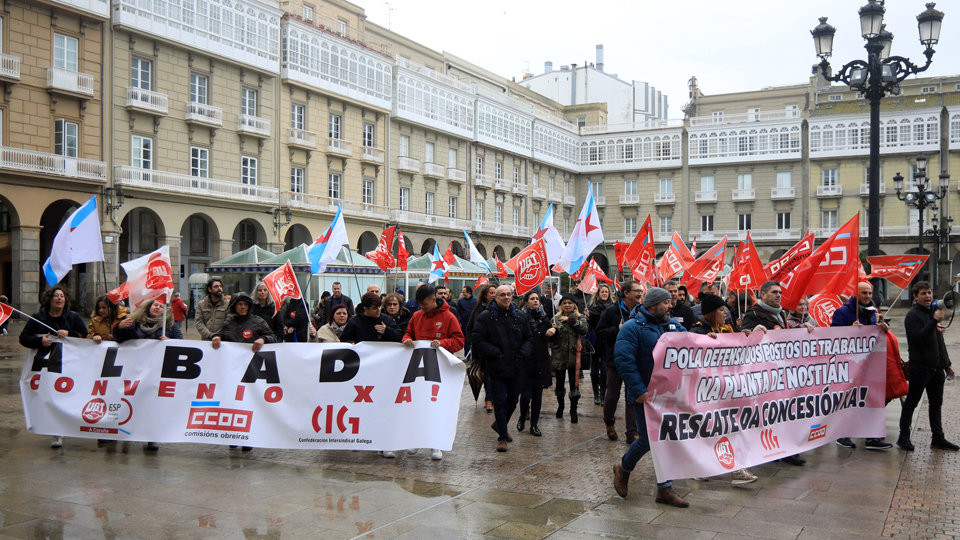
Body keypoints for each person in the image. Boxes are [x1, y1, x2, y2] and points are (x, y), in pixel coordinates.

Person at [612, 286, 688, 507]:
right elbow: (624, 360)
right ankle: (623, 468)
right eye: (666, 303)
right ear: (653, 305)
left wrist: (710, 339)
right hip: (644, 395)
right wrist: (638, 390)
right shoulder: (631, 328)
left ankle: (664, 489)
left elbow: (692, 342)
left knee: (666, 439)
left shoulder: (672, 325)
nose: (670, 305)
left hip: (669, 394)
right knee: (647, 440)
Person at [740, 280, 812, 466]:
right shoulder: (753, 313)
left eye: (780, 292)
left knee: (784, 412)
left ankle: (786, 449)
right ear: (763, 295)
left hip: (783, 372)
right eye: (774, 292)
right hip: (763, 375)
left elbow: (784, 336)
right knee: (767, 414)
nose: (778, 295)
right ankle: (765, 448)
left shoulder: (781, 313)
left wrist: (799, 330)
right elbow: (741, 338)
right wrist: (750, 332)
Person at [689, 293, 758, 485]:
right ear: (711, 313)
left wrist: (747, 336)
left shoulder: (728, 330)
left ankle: (736, 469)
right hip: (705, 393)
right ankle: (699, 466)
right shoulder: (697, 330)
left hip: (726, 391)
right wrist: (703, 342)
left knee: (730, 428)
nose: (725, 313)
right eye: (721, 310)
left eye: (725, 309)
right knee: (707, 431)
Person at [400, 284, 465, 460]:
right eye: (419, 305)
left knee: (436, 406)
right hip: (418, 370)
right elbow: (408, 333)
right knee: (417, 405)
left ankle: (436, 444)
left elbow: (459, 341)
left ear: (433, 299)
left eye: (425, 304)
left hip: (439, 370)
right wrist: (406, 340)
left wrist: (443, 343)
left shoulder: (449, 316)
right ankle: (415, 440)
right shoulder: (416, 316)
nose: (422, 308)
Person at [19, 286, 88, 448]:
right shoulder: (38, 318)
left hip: (68, 365)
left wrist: (69, 333)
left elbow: (84, 336)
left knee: (64, 396)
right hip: (45, 367)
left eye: (62, 296)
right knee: (50, 397)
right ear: (49, 299)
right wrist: (39, 341)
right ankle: (54, 429)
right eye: (56, 296)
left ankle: (60, 429)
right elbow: (23, 338)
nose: (59, 298)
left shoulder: (73, 317)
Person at [211, 292, 277, 452]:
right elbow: (220, 334)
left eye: (245, 305)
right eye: (240, 304)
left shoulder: (258, 321)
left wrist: (263, 339)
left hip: (253, 373)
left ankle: (249, 437)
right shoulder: (229, 322)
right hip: (233, 372)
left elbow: (273, 336)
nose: (242, 307)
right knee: (233, 404)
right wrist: (216, 337)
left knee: (250, 405)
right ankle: (234, 435)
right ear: (234, 306)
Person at [898, 281, 958, 452]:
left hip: (936, 370)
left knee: (936, 404)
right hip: (920, 369)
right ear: (915, 296)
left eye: (929, 292)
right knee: (911, 403)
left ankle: (938, 438)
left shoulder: (933, 313)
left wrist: (947, 365)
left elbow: (940, 341)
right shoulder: (912, 316)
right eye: (923, 293)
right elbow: (918, 338)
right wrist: (933, 321)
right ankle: (903, 438)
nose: (928, 296)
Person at [115, 298, 182, 452]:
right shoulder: (135, 323)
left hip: (155, 373)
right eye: (155, 305)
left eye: (161, 306)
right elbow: (119, 338)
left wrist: (170, 342)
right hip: (134, 371)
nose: (157, 308)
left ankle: (151, 437)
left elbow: (180, 345)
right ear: (148, 307)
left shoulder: (170, 327)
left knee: (152, 405)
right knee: (132, 402)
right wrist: (119, 327)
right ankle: (124, 431)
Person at [831, 281, 891, 450]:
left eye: (870, 293)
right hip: (850, 366)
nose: (867, 296)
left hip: (870, 364)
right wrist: (849, 329)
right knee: (849, 400)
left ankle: (872, 436)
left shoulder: (873, 312)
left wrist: (883, 328)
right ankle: (843, 435)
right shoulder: (842, 312)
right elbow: (832, 336)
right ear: (855, 294)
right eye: (864, 293)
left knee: (872, 399)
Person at [471, 285, 532, 452]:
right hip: (496, 366)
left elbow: (529, 338)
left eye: (509, 294)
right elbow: (477, 338)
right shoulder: (487, 317)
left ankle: (500, 425)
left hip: (516, 365)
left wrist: (523, 353)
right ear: (495, 298)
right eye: (502, 295)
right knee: (500, 401)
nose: (506, 297)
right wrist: (494, 352)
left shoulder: (519, 316)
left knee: (513, 399)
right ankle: (503, 437)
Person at [596, 280, 643, 442]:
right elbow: (599, 332)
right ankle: (609, 422)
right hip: (616, 360)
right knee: (612, 396)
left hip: (635, 361)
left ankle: (632, 432)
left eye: (641, 290)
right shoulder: (612, 311)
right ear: (626, 293)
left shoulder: (642, 311)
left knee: (632, 396)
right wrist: (617, 329)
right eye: (637, 290)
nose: (640, 293)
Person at [517, 290, 552, 437]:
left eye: (537, 299)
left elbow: (552, 338)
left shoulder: (545, 318)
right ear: (526, 302)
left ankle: (534, 424)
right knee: (525, 395)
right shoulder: (521, 317)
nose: (536, 301)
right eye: (532, 299)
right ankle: (522, 415)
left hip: (541, 359)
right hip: (526, 360)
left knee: (538, 395)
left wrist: (553, 330)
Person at [549, 293, 588, 423]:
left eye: (569, 303)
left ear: (574, 305)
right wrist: (551, 332)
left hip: (574, 357)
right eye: (564, 303)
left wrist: (571, 321)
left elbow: (584, 329)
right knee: (559, 385)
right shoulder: (555, 318)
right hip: (559, 356)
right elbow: (550, 338)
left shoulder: (580, 317)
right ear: (561, 305)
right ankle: (560, 406)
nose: (567, 305)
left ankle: (573, 410)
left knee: (574, 385)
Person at [466, 283, 498, 413]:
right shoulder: (478, 309)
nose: (494, 295)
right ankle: (489, 400)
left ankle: (492, 397)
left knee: (493, 374)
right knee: (485, 374)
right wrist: (472, 343)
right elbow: (469, 327)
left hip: (495, 347)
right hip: (480, 349)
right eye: (491, 292)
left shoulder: (499, 309)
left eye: (495, 292)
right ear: (485, 295)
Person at [587, 284, 614, 404]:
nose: (604, 294)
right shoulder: (592, 307)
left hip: (607, 340)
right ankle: (596, 394)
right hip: (594, 340)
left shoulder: (613, 307)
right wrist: (587, 317)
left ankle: (603, 393)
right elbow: (589, 325)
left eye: (606, 292)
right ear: (598, 294)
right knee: (594, 370)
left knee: (604, 369)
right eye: (602, 292)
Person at [456, 286, 477, 352]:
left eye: (464, 292)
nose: (463, 293)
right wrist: (460, 320)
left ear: (469, 292)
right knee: (466, 340)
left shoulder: (476, 300)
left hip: (475, 324)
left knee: (475, 339)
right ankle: (467, 355)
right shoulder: (460, 301)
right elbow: (458, 312)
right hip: (465, 324)